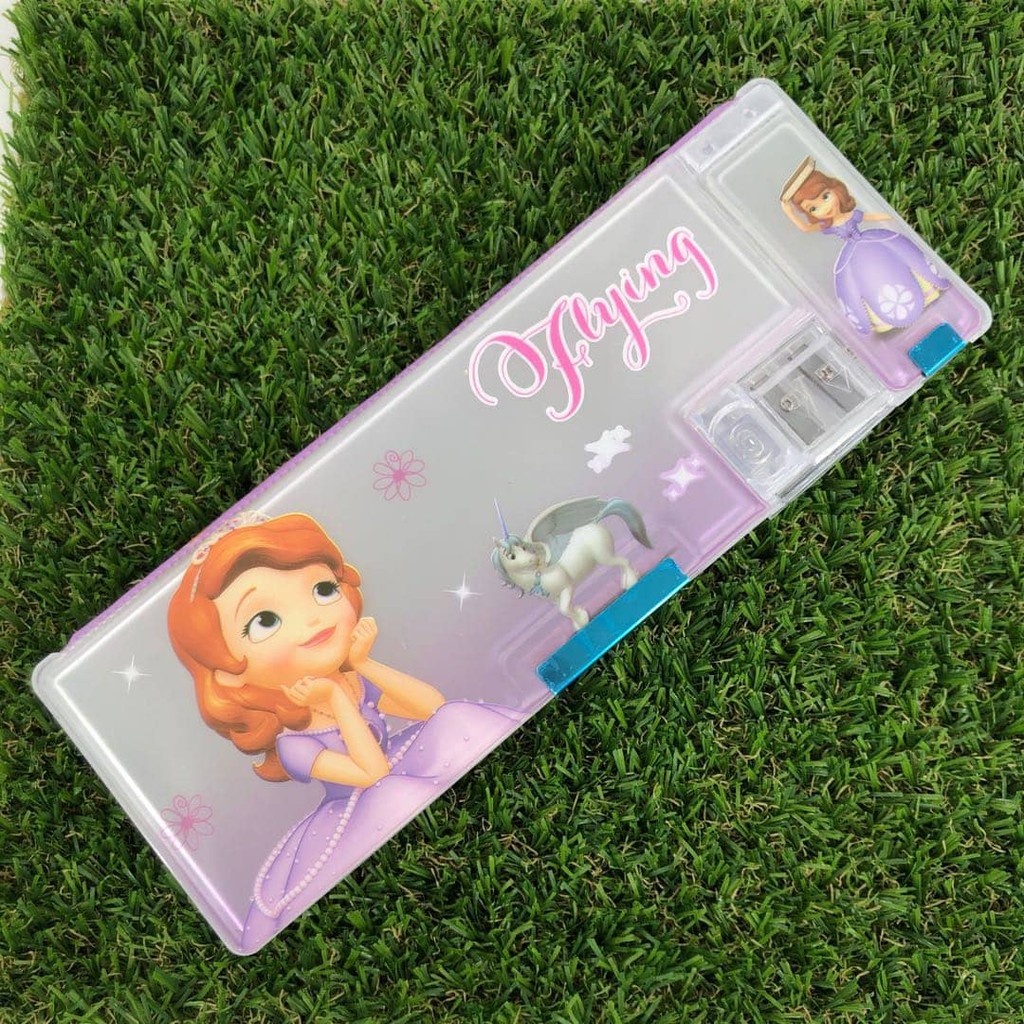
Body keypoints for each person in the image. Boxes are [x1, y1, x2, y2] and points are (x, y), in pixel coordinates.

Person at [167, 511, 522, 951]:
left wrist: (361, 664)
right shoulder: (294, 743)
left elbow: (433, 707)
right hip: (358, 807)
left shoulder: (351, 681)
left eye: (322, 590)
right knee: (395, 795)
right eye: (265, 621)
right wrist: (335, 700)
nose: (312, 620)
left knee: (457, 720)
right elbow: (372, 775)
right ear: (227, 673)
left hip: (396, 765)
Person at [780, 164, 949, 334]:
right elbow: (805, 228)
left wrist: (892, 215)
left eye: (825, 196)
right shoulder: (827, 226)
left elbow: (871, 216)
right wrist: (789, 212)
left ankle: (926, 291)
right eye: (813, 208)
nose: (824, 208)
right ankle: (883, 320)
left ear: (835, 190)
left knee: (902, 258)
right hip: (853, 256)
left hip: (873, 241)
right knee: (857, 283)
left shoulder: (850, 215)